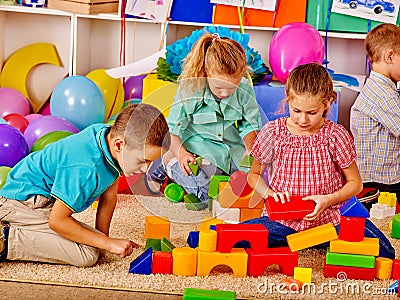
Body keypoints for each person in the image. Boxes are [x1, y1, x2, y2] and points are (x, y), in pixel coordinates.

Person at [244, 63, 395, 259]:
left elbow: (355, 184)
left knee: (385, 252)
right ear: (288, 100)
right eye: (296, 110)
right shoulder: (273, 132)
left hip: (330, 220)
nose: (303, 120)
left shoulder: (336, 135)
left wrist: (329, 200)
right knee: (230, 239)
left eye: (312, 113)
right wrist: (269, 194)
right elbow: (254, 175)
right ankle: (307, 241)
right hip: (283, 222)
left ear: (327, 104)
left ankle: (318, 240)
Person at [0, 103, 171, 266]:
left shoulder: (109, 139)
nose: (146, 169)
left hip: (42, 201)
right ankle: (4, 240)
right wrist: (108, 243)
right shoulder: (86, 167)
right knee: (87, 255)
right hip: (20, 204)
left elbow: (109, 198)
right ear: (119, 144)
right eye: (143, 161)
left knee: (95, 244)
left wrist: (106, 242)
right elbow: (57, 221)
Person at [155, 31, 262, 205]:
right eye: (219, 88)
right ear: (206, 74)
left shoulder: (244, 89)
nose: (225, 93)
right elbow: (172, 130)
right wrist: (181, 154)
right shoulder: (191, 88)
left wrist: (251, 148)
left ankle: (187, 185)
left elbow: (249, 124)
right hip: (194, 150)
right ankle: (168, 164)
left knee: (245, 186)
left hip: (228, 151)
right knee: (206, 194)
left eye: (231, 88)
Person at [350, 23, 400, 207]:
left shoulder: (383, 88)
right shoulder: (381, 93)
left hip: (381, 177)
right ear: (390, 56)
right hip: (380, 181)